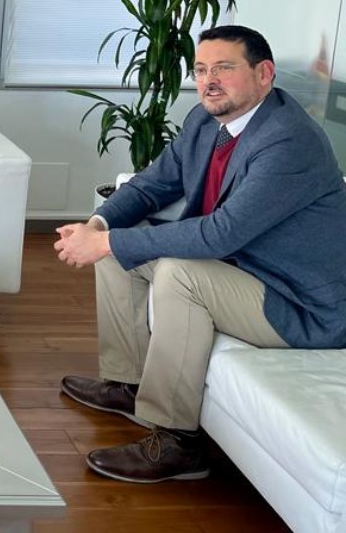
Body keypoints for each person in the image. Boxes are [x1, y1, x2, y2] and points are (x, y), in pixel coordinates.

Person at [54, 25, 346, 484]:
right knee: (118, 244)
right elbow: (151, 185)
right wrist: (99, 226)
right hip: (242, 267)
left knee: (178, 273)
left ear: (264, 74)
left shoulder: (290, 141)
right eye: (202, 69)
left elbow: (220, 234)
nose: (209, 81)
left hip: (295, 299)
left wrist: (106, 242)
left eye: (224, 68)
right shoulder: (204, 121)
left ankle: (178, 441)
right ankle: (128, 383)